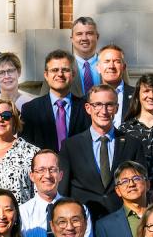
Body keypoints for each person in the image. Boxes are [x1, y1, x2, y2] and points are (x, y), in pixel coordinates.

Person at [57, 84, 142, 216]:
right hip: (84, 222)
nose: (104, 111)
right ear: (88, 108)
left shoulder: (133, 144)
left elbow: (141, 186)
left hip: (122, 219)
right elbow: (63, 190)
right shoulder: (70, 146)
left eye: (109, 105)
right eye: (97, 104)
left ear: (116, 108)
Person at [19, 150, 91, 237]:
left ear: (61, 175)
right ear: (32, 176)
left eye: (52, 169)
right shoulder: (22, 213)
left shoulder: (79, 210)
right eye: (41, 170)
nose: (47, 175)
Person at [21, 50, 90, 152]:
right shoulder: (30, 109)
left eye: (65, 70)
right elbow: (25, 148)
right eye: (54, 70)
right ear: (46, 75)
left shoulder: (86, 108)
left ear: (73, 74)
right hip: (45, 167)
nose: (60, 74)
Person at [92, 160, 151, 237]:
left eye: (136, 178)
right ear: (118, 191)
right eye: (124, 181)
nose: (131, 184)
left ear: (147, 184)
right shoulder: (105, 226)